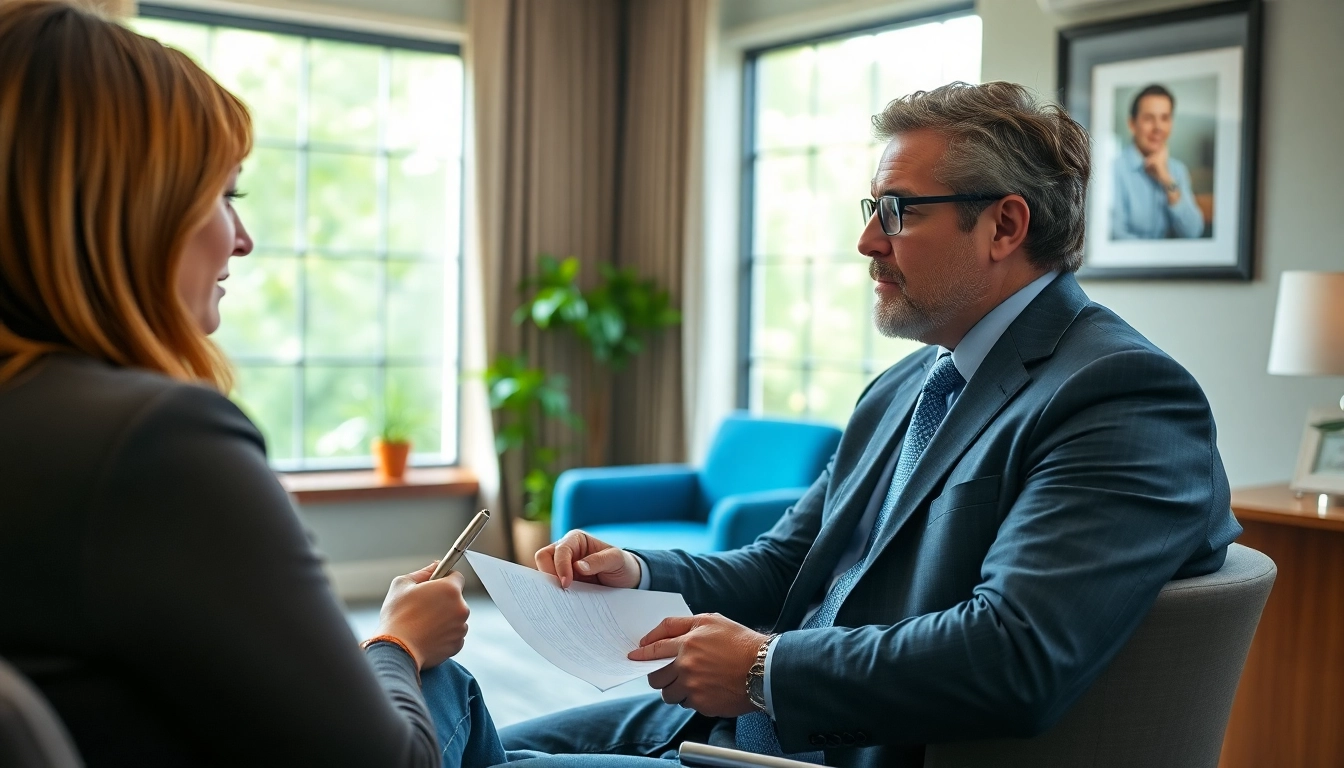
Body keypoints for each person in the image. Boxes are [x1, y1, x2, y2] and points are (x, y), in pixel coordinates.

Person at [512, 82, 1242, 768]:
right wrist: (636, 571)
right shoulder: (904, 386)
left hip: (832, 747)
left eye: (898, 210)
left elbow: (1015, 654)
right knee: (465, 735)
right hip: (732, 726)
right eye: (870, 208)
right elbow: (782, 564)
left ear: (1005, 225)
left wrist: (764, 669)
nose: (867, 242)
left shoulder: (1120, 396)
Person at [0, 3, 598, 766]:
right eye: (226, 196)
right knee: (461, 694)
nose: (242, 240)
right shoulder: (154, 443)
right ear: (125, 212)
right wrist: (396, 643)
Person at [1111, 84, 1206, 239]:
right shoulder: (1115, 169)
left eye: (1165, 118)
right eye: (1149, 118)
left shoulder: (1177, 170)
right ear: (1132, 124)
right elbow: (1116, 234)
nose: (1158, 127)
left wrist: (1166, 178)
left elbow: (1193, 232)